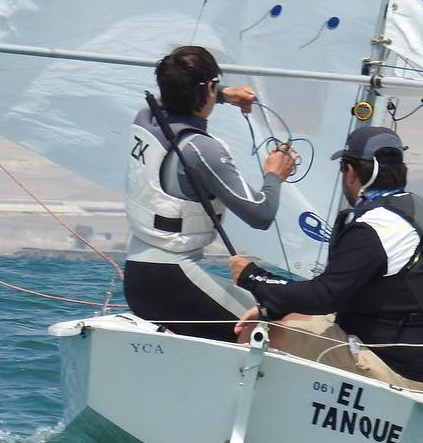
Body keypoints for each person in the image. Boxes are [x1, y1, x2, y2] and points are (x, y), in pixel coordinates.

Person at [228, 126, 423, 394]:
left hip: (402, 373)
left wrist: (252, 277)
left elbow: (323, 296)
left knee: (258, 333)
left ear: (350, 172)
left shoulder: (376, 226)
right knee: (291, 316)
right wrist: (271, 306)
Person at [123, 45, 296, 342]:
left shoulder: (145, 119)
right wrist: (274, 175)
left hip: (139, 275)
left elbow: (170, 98)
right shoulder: (202, 149)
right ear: (209, 89)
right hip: (173, 280)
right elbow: (261, 214)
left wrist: (222, 93)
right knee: (276, 326)